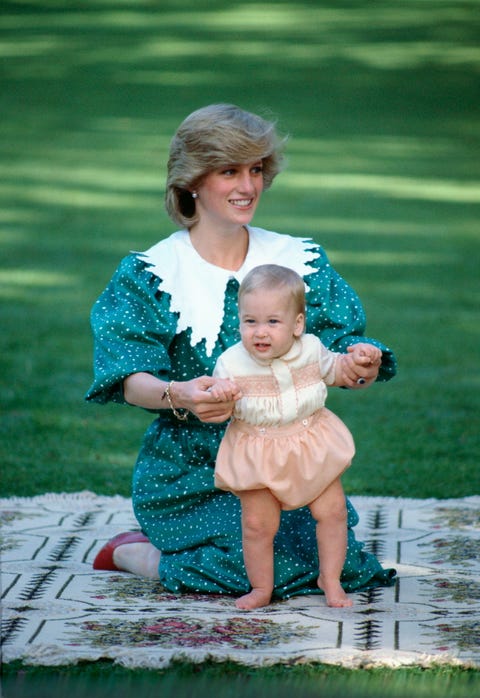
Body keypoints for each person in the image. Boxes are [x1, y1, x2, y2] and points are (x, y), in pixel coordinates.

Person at [87, 103, 397, 603]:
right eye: (229, 171)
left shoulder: (298, 262)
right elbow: (128, 377)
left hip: (287, 460)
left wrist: (362, 364)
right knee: (243, 568)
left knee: (337, 565)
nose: (248, 186)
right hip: (193, 467)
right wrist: (178, 393)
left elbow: (339, 354)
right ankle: (133, 551)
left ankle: (189, 554)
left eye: (255, 170)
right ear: (191, 182)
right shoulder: (150, 274)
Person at [209, 264, 382, 610]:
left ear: (297, 324)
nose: (260, 332)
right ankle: (261, 588)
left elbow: (338, 370)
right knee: (258, 524)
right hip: (257, 448)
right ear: (239, 320)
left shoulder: (311, 349)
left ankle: (329, 580)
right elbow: (219, 407)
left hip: (308, 442)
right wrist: (220, 396)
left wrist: (361, 359)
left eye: (273, 322)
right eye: (250, 321)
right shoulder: (231, 364)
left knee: (332, 512)